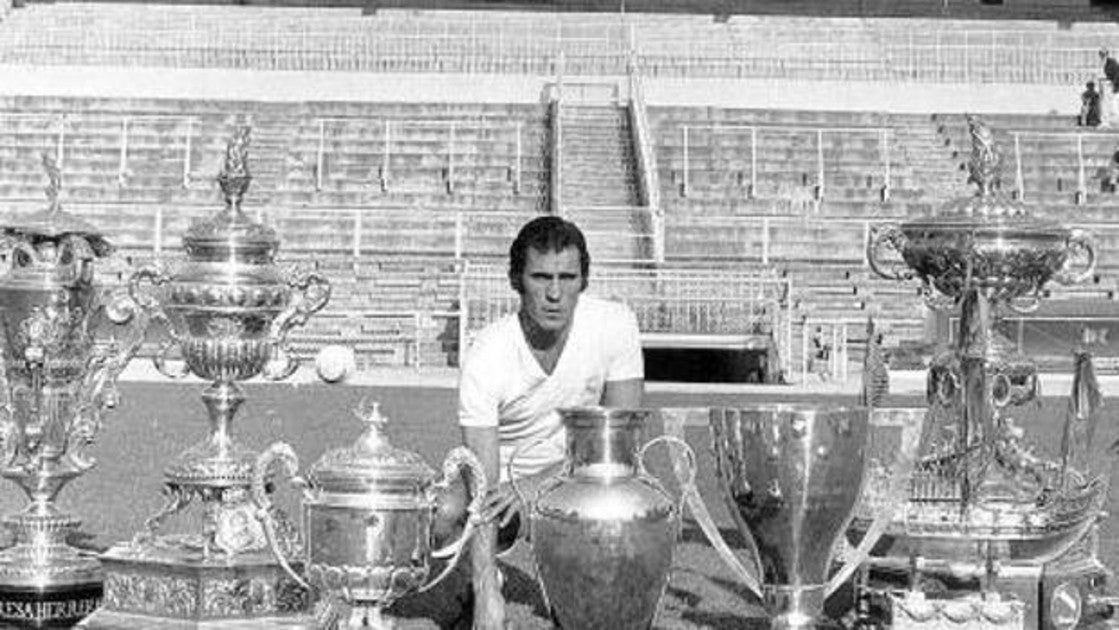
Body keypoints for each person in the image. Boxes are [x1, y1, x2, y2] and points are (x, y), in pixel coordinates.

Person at [444, 216, 644, 627]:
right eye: (540, 277)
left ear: (583, 281)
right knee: (445, 512)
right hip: (502, 483)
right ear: (517, 281)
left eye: (567, 277)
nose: (554, 293)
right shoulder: (487, 353)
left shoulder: (615, 325)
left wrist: (535, 485)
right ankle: (477, 581)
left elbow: (621, 443)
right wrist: (487, 592)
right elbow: (482, 478)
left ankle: (589, 584)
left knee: (631, 507)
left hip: (584, 473)